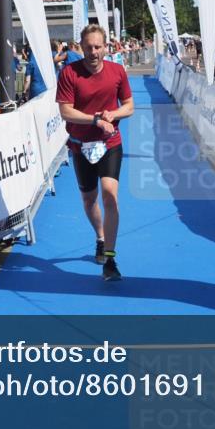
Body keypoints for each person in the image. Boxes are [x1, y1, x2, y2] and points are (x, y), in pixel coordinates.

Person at [55, 25, 134, 282]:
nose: (93, 52)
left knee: (110, 195)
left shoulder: (117, 71)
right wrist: (95, 120)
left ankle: (110, 259)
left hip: (110, 143)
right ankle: (100, 237)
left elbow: (129, 106)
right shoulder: (69, 73)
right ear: (81, 47)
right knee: (89, 200)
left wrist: (113, 114)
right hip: (81, 145)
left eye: (98, 47)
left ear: (105, 48)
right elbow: (65, 111)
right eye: (88, 47)